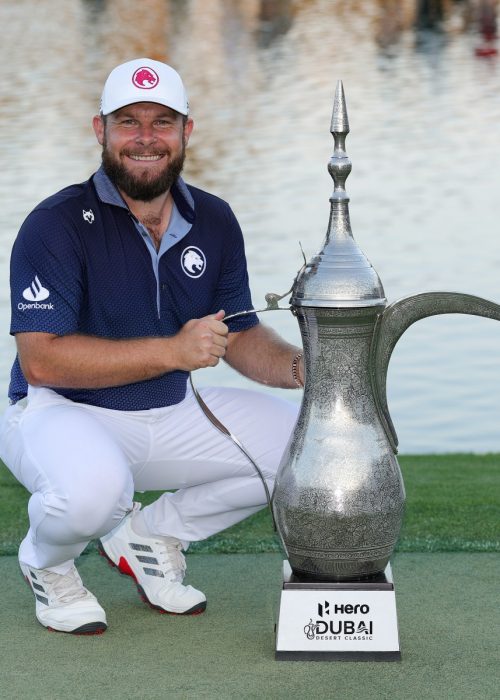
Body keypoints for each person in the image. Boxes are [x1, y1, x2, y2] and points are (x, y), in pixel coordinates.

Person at [0, 58, 303, 635]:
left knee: (304, 449)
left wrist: (304, 367)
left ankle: (149, 535)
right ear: (101, 130)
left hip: (170, 409)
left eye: (162, 122)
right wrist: (172, 352)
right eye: (128, 122)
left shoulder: (214, 218)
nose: (145, 138)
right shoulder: (55, 223)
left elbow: (238, 332)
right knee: (93, 495)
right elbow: (41, 360)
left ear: (187, 130)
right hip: (58, 411)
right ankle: (48, 563)